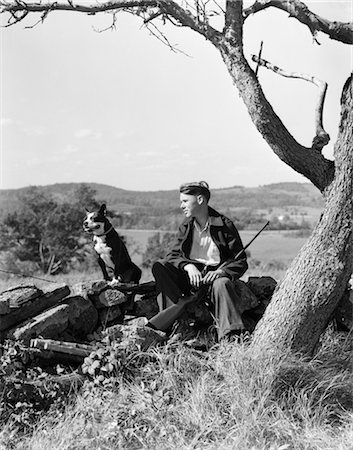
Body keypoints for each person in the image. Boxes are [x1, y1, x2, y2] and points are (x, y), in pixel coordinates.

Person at [151, 181, 248, 341]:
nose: (181, 205)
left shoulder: (225, 225)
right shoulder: (186, 225)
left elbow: (240, 261)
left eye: (185, 201)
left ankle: (231, 337)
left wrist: (221, 272)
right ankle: (172, 314)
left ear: (200, 200)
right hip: (189, 279)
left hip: (214, 279)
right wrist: (188, 267)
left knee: (222, 284)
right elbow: (172, 255)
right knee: (159, 266)